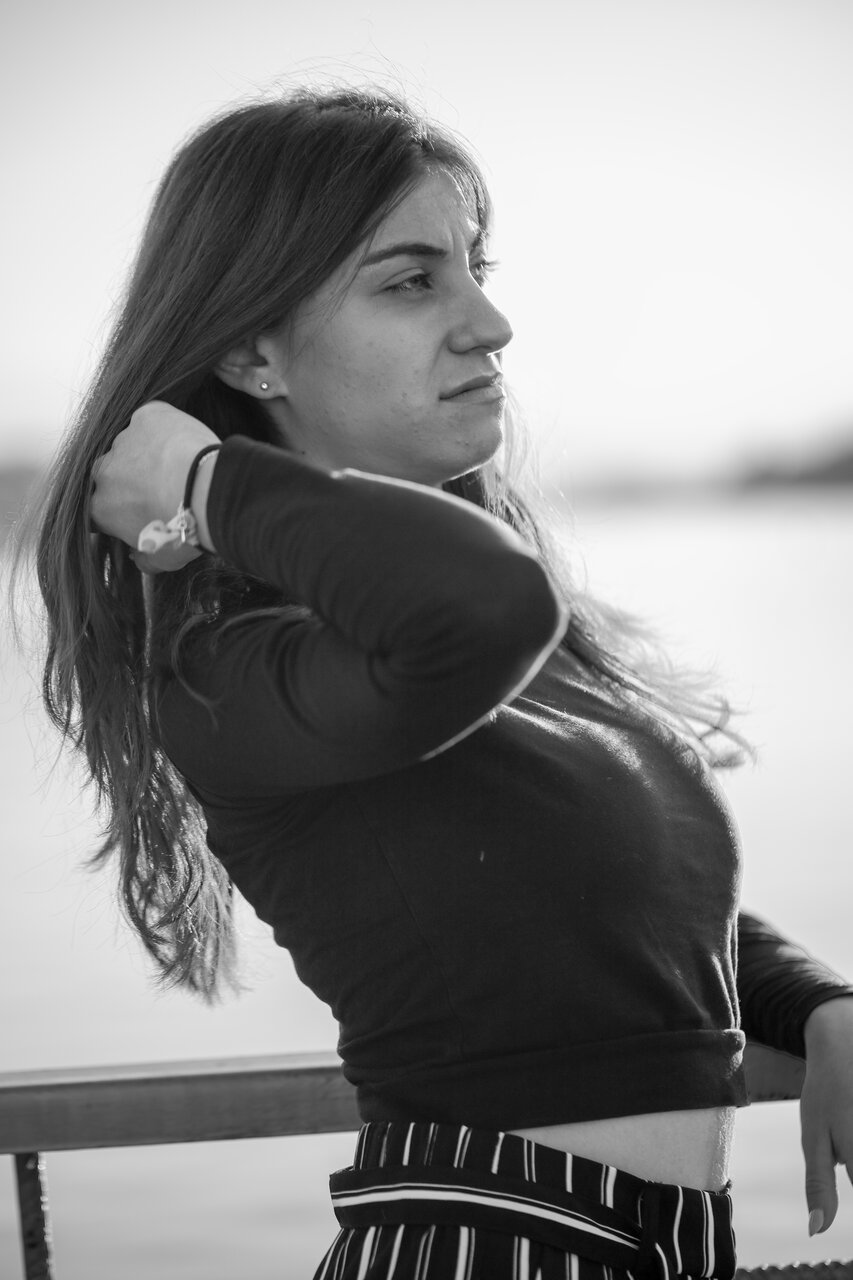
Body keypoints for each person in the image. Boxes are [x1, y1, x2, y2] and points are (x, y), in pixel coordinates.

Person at [21, 85, 853, 1278]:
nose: (490, 323)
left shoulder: (493, 635)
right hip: (486, 1240)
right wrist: (208, 484)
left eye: (474, 268)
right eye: (412, 281)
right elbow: (483, 604)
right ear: (251, 352)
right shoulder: (228, 661)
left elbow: (611, 905)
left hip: (644, 1247)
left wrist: (814, 1002)